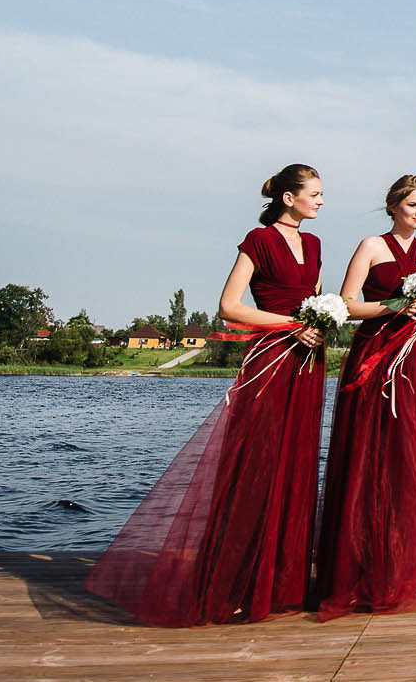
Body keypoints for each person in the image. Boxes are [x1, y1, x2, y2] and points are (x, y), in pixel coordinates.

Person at [87, 164, 328, 625]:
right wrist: (292, 324)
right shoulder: (258, 240)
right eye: (314, 193)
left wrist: (318, 325)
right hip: (271, 362)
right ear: (288, 198)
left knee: (296, 465)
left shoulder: (315, 244)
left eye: (320, 194)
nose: (320, 201)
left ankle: (282, 582)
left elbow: (315, 302)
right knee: (256, 465)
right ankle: (234, 580)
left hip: (308, 363)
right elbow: (229, 307)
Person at [314, 175, 416, 619]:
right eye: (412, 205)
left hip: (413, 361)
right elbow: (347, 304)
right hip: (374, 356)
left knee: (405, 458)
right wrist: (396, 306)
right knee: (366, 456)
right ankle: (354, 569)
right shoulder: (371, 246)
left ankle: (400, 567)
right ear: (393, 206)